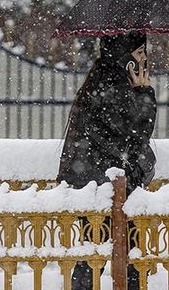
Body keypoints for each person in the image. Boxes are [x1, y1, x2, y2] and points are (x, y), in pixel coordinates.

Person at [57, 32, 157, 290]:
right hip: (107, 188)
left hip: (95, 185)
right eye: (139, 53)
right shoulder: (114, 86)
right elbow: (133, 138)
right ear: (125, 55)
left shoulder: (103, 80)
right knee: (126, 257)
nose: (144, 59)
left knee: (93, 256)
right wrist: (145, 93)